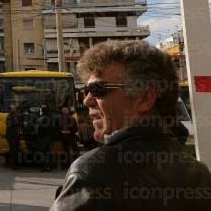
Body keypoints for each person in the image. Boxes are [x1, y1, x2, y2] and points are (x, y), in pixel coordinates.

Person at [51, 40, 211, 210]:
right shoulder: (198, 172)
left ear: (144, 99)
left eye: (98, 89)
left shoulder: (93, 172)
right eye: (86, 91)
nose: (87, 100)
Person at [35, 105, 55, 172]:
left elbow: (37, 130)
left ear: (42, 111)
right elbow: (54, 129)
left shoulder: (39, 119)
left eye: (40, 110)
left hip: (42, 139)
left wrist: (38, 136)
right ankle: (49, 167)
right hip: (50, 138)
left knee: (42, 153)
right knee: (49, 153)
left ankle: (43, 167)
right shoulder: (51, 118)